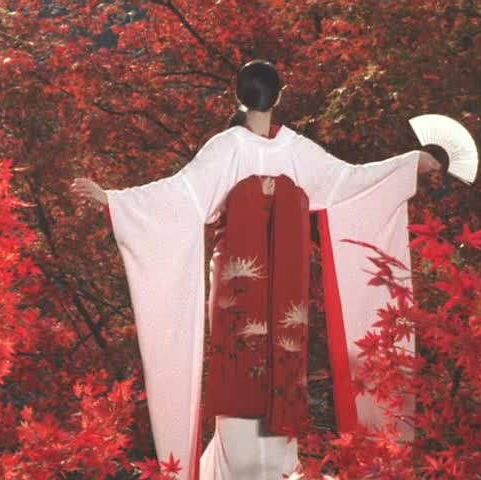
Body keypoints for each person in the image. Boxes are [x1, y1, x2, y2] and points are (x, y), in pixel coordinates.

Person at [71, 60, 441, 480]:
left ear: (237, 96)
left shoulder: (260, 149)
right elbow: (351, 182)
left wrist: (113, 199)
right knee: (241, 373)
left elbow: (178, 197)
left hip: (276, 286)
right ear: (280, 96)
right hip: (246, 284)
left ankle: (274, 468)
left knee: (280, 372)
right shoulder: (257, 149)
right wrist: (409, 164)